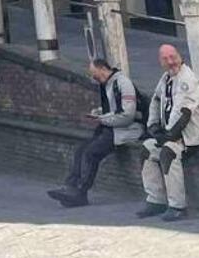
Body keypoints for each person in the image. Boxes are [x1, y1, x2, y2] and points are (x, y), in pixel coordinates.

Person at [47, 57, 142, 208]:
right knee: (81, 150)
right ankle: (70, 186)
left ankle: (80, 191)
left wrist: (102, 119)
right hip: (111, 127)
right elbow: (113, 108)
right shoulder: (107, 84)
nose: (94, 78)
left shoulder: (123, 83)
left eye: (96, 74)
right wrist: (99, 113)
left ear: (104, 69)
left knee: (91, 153)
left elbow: (127, 116)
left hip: (125, 129)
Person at [138, 42, 199, 221]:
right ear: (161, 62)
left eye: (173, 57)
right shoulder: (166, 79)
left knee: (169, 153)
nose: (170, 61)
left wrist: (168, 136)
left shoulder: (187, 79)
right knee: (146, 150)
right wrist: (153, 127)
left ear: (180, 57)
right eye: (166, 59)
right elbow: (156, 101)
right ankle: (156, 200)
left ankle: (177, 206)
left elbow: (184, 113)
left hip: (198, 136)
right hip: (175, 134)